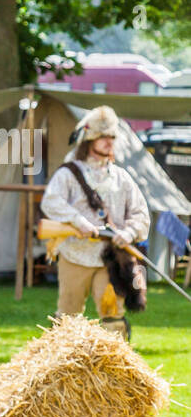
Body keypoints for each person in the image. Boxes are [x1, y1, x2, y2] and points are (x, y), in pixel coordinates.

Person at [41, 104, 151, 338]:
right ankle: (61, 371)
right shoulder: (69, 173)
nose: (108, 141)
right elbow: (50, 201)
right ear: (89, 139)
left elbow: (141, 213)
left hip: (108, 257)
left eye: (111, 136)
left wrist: (129, 233)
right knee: (67, 318)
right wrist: (78, 220)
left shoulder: (121, 177)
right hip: (75, 254)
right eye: (102, 136)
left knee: (113, 316)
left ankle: (114, 372)